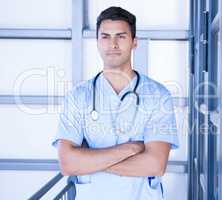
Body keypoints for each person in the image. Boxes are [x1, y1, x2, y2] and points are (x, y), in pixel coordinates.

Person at [52, 6, 179, 200]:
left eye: (121, 36)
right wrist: (130, 149)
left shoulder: (158, 96)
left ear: (134, 42)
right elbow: (68, 164)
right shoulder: (78, 97)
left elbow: (155, 165)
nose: (113, 44)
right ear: (97, 42)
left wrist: (89, 159)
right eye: (105, 36)